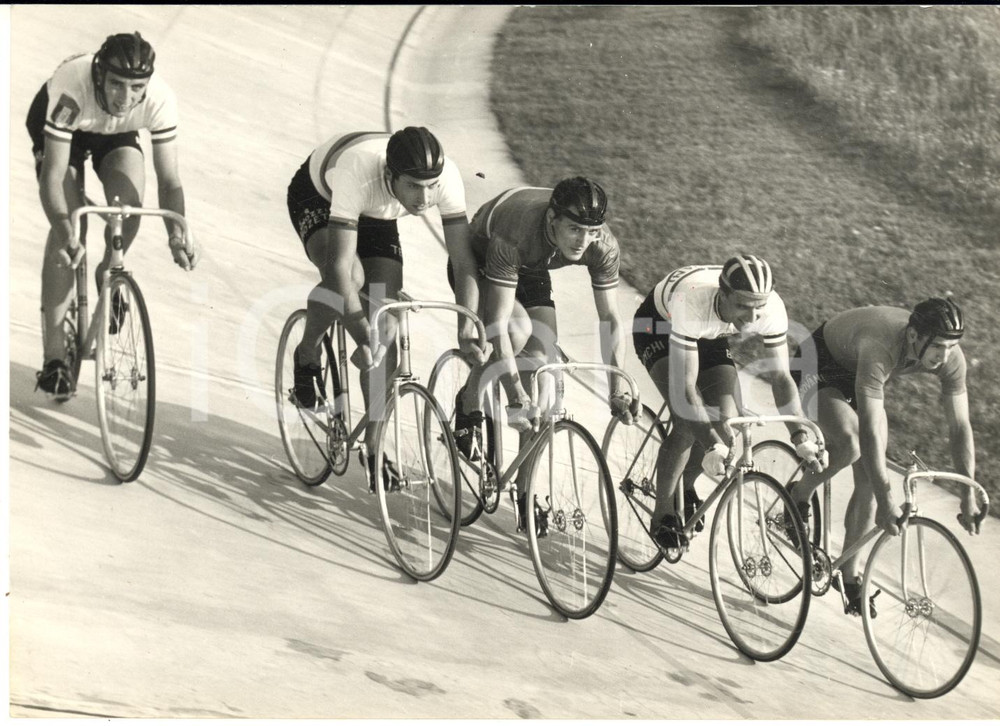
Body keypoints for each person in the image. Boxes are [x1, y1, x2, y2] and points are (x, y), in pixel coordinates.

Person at [285, 126, 485, 489]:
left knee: (388, 323)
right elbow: (339, 270)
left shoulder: (445, 179)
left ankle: (374, 449)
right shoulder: (359, 172)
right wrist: (364, 335)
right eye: (414, 186)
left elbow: (463, 261)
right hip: (320, 196)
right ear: (390, 175)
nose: (424, 198)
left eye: (430, 187)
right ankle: (308, 351)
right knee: (352, 280)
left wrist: (466, 327)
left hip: (380, 212)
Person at [450, 177, 639, 528]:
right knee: (516, 334)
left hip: (534, 264)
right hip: (485, 256)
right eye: (574, 230)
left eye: (592, 231)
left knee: (541, 372)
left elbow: (610, 318)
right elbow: (497, 320)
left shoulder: (601, 244)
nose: (584, 241)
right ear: (553, 218)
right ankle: (468, 402)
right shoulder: (518, 231)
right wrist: (513, 394)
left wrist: (618, 388)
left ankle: (524, 495)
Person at [28, 31, 198, 397]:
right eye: (118, 84)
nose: (126, 97)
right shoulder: (73, 88)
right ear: (100, 75)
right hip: (65, 131)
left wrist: (176, 234)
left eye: (136, 88)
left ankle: (108, 269)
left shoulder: (159, 100)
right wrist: (63, 228)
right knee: (73, 227)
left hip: (114, 135)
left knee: (129, 207)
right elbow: (53, 178)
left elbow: (169, 181)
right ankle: (55, 357)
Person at [788, 297, 981, 616]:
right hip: (818, 362)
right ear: (913, 336)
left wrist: (968, 494)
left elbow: (960, 426)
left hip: (858, 371)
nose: (944, 357)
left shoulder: (949, 356)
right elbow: (869, 433)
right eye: (938, 348)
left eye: (950, 348)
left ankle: (850, 578)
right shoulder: (882, 344)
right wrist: (887, 498)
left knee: (870, 484)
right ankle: (799, 494)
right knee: (852, 444)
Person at [632, 255, 823, 550]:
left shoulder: (770, 308)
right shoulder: (693, 300)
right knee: (686, 423)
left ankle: (685, 486)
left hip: (711, 330)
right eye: (743, 306)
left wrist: (799, 436)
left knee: (726, 423)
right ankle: (663, 514)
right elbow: (685, 391)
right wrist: (710, 444)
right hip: (658, 325)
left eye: (757, 307)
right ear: (723, 295)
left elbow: (782, 379)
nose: (751, 317)